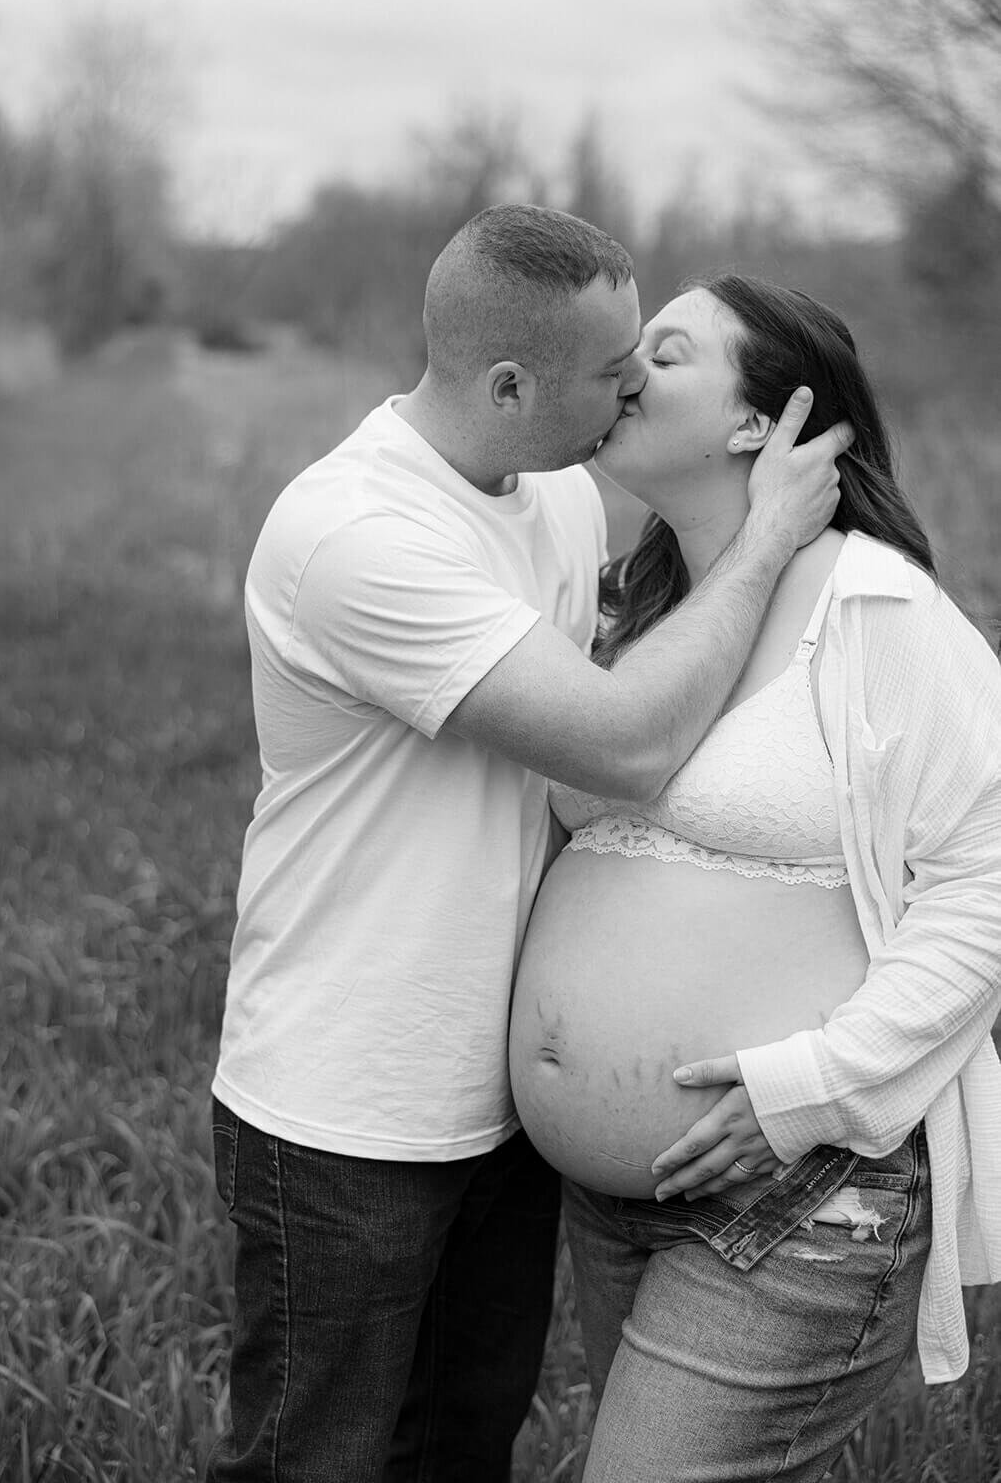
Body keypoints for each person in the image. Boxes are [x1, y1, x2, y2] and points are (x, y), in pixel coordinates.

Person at [206, 207, 851, 1483]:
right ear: (509, 385)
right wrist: (771, 532)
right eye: (611, 374)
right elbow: (619, 743)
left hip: (495, 1099)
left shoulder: (554, 493)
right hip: (347, 1105)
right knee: (311, 1459)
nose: (629, 392)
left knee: (460, 1440)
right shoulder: (356, 534)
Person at [509, 274, 1001, 1483]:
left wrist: (810, 1085)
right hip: (612, 1200)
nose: (624, 370)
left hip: (798, 1197)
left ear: (755, 422)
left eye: (663, 353)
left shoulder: (875, 610)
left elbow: (984, 881)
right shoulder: (634, 608)